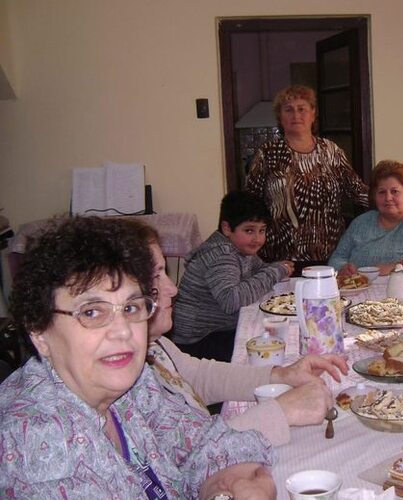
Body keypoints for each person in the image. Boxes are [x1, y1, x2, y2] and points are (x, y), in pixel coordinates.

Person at [0, 217, 276, 498]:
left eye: (131, 308)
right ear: (39, 331)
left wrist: (233, 482)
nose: (122, 332)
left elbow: (200, 440)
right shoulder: (33, 444)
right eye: (92, 312)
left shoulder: (132, 382)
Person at [131, 219, 347, 446]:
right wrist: (282, 411)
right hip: (201, 337)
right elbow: (188, 459)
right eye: (156, 276)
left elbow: (196, 376)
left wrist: (282, 375)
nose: (173, 289)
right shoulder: (126, 383)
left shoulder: (155, 346)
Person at [245, 84, 369, 270]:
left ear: (313, 113)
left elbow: (357, 191)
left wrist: (396, 204)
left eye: (302, 109)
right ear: (280, 116)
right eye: (289, 109)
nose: (296, 115)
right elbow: (250, 202)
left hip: (331, 255)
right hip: (281, 259)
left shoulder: (331, 151)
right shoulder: (267, 154)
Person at [173, 191, 293, 362]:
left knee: (273, 334)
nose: (258, 239)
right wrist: (276, 271)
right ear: (227, 228)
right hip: (196, 343)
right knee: (268, 353)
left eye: (262, 230)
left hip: (218, 330)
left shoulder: (241, 248)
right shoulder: (221, 253)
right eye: (249, 230)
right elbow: (232, 299)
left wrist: (273, 270)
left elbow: (261, 270)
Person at [328, 160, 403, 276]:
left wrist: (398, 267)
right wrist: (343, 268)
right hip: (359, 292)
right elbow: (336, 259)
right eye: (381, 192)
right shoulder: (360, 223)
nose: (388, 198)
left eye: (395, 191)